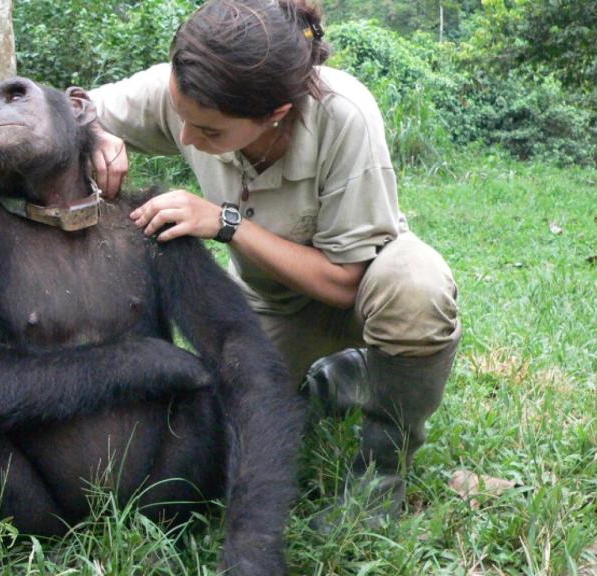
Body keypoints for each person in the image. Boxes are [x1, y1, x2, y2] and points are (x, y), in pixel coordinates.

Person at [77, 0, 462, 532]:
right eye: (180, 117)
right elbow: (65, 107)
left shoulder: (344, 115)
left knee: (416, 288)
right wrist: (91, 131)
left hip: (358, 287)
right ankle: (342, 380)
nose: (186, 138)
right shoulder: (187, 88)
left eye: (209, 132)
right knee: (227, 437)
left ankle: (381, 475)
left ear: (276, 113)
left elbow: (343, 281)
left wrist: (225, 221)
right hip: (266, 305)